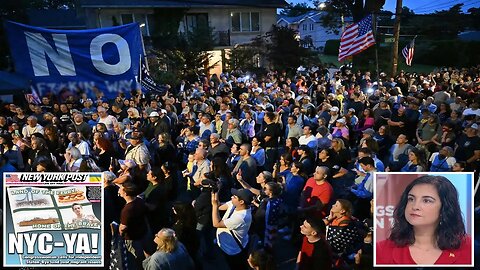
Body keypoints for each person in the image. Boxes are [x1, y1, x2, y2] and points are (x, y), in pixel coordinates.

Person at [376, 175, 472, 265]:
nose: (415, 206)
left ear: (445, 208)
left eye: (427, 200)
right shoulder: (381, 250)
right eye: (411, 199)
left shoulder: (469, 248)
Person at [211, 188, 253, 270]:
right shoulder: (235, 204)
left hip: (231, 249)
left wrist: (215, 205)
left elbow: (216, 224)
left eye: (234, 196)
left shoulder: (241, 217)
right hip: (226, 244)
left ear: (241, 202)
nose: (231, 197)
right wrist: (215, 193)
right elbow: (219, 206)